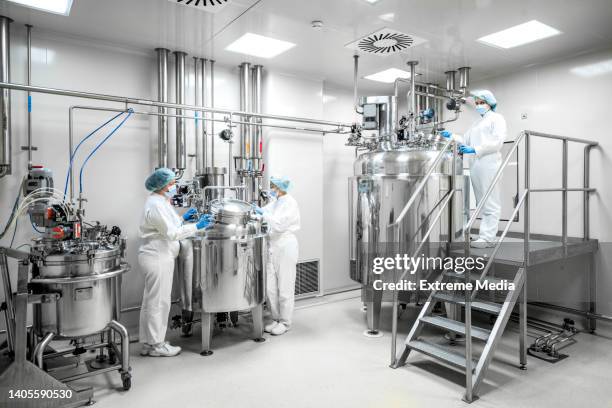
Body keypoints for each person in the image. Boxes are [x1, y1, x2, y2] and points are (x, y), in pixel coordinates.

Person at [138, 168, 211, 356]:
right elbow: (171, 233)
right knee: (159, 302)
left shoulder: (161, 202)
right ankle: (157, 345)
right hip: (157, 256)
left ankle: (148, 342)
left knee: (150, 301)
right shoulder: (155, 204)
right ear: (161, 185)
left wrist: (183, 218)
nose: (173, 186)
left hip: (159, 255)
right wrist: (196, 226)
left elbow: (169, 224)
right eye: (170, 183)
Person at [440, 89, 507, 248]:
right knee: (481, 201)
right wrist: (452, 136)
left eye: (481, 102)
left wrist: (476, 149)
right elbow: (465, 140)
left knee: (490, 201)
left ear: (490, 103)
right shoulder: (477, 123)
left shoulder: (497, 118)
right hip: (476, 165)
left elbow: (498, 141)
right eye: (477, 103)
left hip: (489, 163)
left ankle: (488, 238)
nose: (479, 105)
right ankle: (484, 235)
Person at [253, 176, 300, 336]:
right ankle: (276, 318)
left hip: (285, 245)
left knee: (285, 286)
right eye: (271, 186)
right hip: (272, 245)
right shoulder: (277, 201)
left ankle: (285, 322)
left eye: (273, 186)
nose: (271, 189)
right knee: (270, 287)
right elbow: (265, 212)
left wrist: (263, 214)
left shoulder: (290, 203)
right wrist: (255, 211)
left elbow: (279, 225)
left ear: (281, 187)